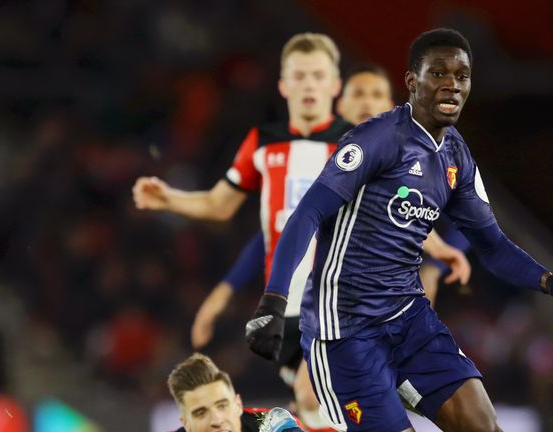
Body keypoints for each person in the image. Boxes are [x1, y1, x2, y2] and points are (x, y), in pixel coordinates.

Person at [245, 28, 553, 432]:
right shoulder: (377, 138)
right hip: (346, 332)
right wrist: (273, 302)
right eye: (438, 73)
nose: (452, 85)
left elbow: (491, 245)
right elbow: (308, 215)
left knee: (484, 426)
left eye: (462, 76)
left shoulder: (456, 156)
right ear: (412, 81)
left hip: (410, 320)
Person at [134, 35, 468, 430]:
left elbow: (392, 214)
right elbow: (221, 205)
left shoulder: (359, 143)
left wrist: (439, 247)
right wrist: (170, 199)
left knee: (317, 394)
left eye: (317, 76)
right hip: (282, 305)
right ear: (283, 85)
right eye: (300, 76)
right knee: (320, 404)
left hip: (338, 299)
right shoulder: (262, 143)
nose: (308, 84)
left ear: (333, 87)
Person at [167, 353, 302, 432]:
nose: (217, 420)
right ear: (186, 424)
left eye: (222, 406)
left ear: (238, 404)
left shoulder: (271, 424)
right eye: (201, 413)